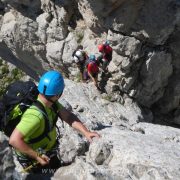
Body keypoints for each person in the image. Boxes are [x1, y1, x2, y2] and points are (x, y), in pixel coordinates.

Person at [9, 70, 100, 175]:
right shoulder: (35, 116)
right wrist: (37, 156)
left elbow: (68, 116)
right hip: (34, 160)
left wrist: (86, 132)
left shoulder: (52, 103)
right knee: (50, 175)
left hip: (48, 152)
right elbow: (14, 140)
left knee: (57, 170)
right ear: (57, 94)